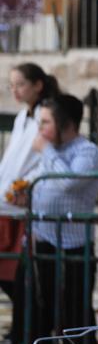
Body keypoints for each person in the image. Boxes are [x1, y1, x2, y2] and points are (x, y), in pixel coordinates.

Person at [10, 94, 98, 344]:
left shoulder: (87, 152)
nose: (41, 129)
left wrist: (47, 151)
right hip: (41, 243)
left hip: (73, 247)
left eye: (46, 122)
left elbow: (68, 182)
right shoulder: (48, 151)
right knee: (37, 312)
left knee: (75, 314)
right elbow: (43, 186)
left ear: (66, 124)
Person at [0, 64, 60, 304]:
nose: (15, 90)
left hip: (22, 202)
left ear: (38, 85)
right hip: (6, 200)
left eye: (20, 84)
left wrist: (27, 185)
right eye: (11, 85)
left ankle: (28, 323)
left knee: (16, 271)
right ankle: (24, 321)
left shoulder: (46, 116)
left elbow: (47, 158)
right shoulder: (22, 117)